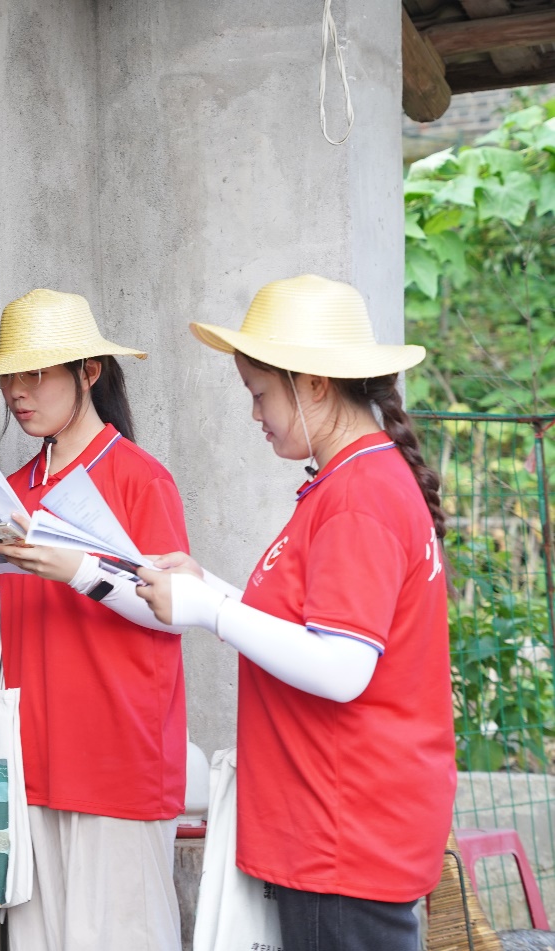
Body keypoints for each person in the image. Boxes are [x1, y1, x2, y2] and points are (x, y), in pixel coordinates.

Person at [135, 274, 455, 951]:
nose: (255, 414)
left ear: (313, 384)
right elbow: (311, 627)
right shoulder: (355, 480)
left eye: (260, 394)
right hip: (345, 826)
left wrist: (210, 611)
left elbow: (341, 667)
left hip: (343, 833)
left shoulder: (359, 495)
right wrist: (208, 587)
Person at [0, 288, 190, 951]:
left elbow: (172, 615)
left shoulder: (139, 478)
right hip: (32, 758)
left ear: (89, 372)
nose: (17, 391)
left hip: (118, 760)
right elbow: (12, 624)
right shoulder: (12, 488)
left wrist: (73, 568)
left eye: (36, 373)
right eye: (7, 376)